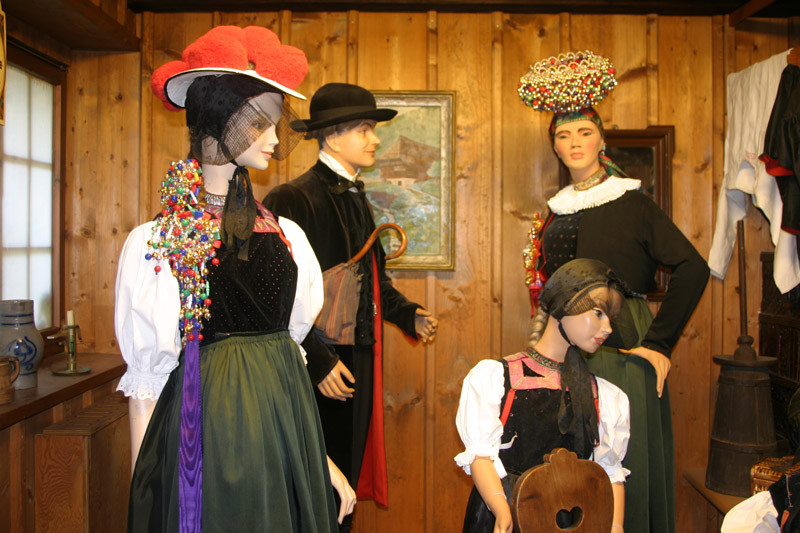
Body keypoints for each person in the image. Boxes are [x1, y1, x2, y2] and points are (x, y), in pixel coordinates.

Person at [114, 26, 355, 532]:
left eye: (273, 123)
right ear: (219, 120)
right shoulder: (161, 242)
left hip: (286, 442)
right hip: (211, 441)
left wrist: (320, 461)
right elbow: (148, 385)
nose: (275, 138)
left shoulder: (286, 236)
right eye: (260, 123)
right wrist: (148, 489)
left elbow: (288, 361)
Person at [519, 51, 710, 533]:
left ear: (601, 139)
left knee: (622, 462)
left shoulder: (631, 201)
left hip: (622, 349)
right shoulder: (558, 209)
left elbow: (694, 267)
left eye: (584, 132)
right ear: (554, 146)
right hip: (566, 353)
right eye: (563, 135)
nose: (574, 143)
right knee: (571, 468)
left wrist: (659, 343)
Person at [263, 82, 438, 530]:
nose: (375, 139)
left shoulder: (356, 197)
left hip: (355, 362)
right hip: (314, 368)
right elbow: (276, 298)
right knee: (314, 489)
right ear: (333, 135)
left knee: (343, 492)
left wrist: (409, 314)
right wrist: (318, 363)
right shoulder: (292, 199)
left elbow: (372, 282)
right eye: (364, 129)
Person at [455, 258, 631, 533]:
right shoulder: (497, 379)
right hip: (507, 514)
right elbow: (481, 456)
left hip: (571, 521)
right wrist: (500, 506)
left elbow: (609, 472)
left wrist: (616, 526)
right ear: (564, 306)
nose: (608, 328)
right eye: (598, 313)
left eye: (610, 318)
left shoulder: (604, 396)